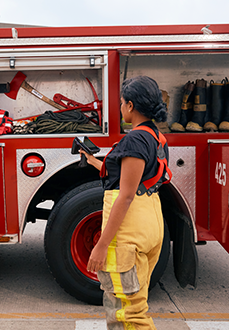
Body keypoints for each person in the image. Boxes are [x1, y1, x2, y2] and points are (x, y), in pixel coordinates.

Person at [79, 75, 171, 330]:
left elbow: (126, 195)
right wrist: (93, 160)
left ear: (130, 105)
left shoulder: (134, 140)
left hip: (129, 232)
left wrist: (101, 244)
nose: (120, 108)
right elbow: (130, 178)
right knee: (136, 302)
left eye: (121, 103)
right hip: (150, 224)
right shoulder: (154, 136)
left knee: (127, 313)